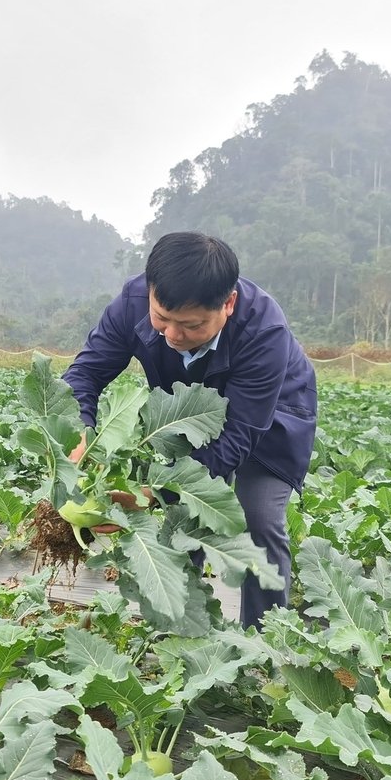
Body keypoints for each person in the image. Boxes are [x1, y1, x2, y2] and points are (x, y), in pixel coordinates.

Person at [62, 231, 318, 629]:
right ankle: (181, 627)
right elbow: (85, 374)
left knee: (258, 519)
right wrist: (78, 435)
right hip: (187, 415)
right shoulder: (131, 303)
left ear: (228, 304)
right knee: (183, 517)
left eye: (191, 325)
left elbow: (236, 439)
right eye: (161, 319)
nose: (172, 336)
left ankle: (269, 642)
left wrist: (148, 495)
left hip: (271, 418)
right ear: (150, 292)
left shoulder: (264, 331)